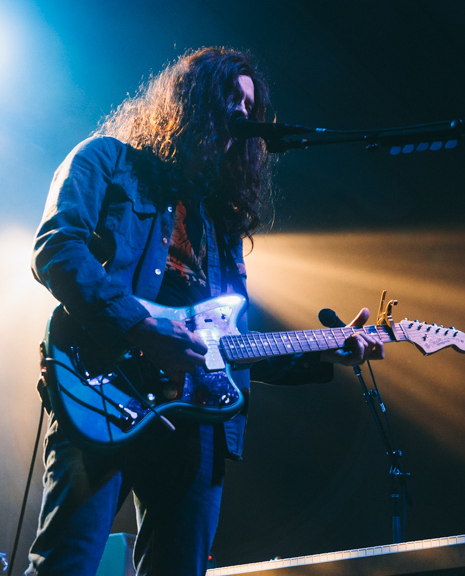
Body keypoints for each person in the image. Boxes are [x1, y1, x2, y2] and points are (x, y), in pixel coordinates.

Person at [25, 47, 384, 576]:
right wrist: (144, 330)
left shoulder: (222, 224)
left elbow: (230, 348)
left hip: (196, 422)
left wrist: (326, 352)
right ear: (189, 100)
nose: (243, 114)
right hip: (103, 388)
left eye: (249, 105)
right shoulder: (107, 160)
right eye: (230, 99)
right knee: (66, 565)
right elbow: (56, 247)